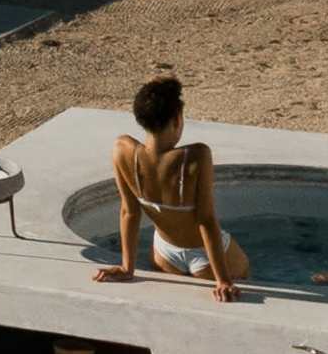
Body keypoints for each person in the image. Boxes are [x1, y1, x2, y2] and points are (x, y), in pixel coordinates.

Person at [92, 73, 243, 301]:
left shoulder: (122, 150)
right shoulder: (196, 156)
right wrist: (223, 280)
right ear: (177, 120)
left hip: (164, 253)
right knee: (249, 275)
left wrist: (126, 267)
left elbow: (129, 212)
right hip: (207, 260)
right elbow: (206, 220)